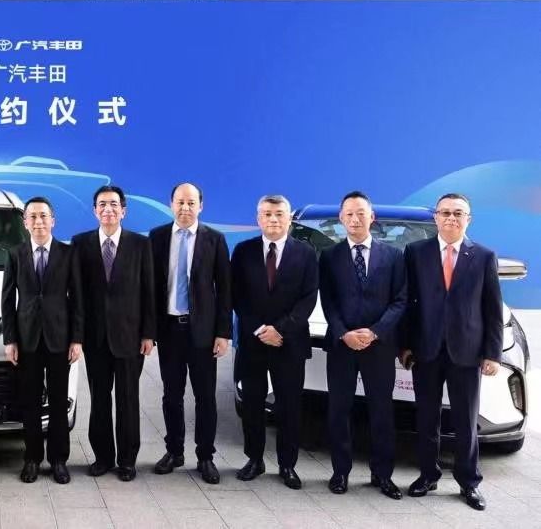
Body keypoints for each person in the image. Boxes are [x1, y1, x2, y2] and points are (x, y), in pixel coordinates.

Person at [401, 193, 502, 511]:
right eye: (445, 212)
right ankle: (427, 475)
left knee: (465, 421)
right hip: (426, 350)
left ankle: (469, 482)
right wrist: (405, 345)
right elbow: (407, 303)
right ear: (436, 217)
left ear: (468, 219)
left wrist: (492, 353)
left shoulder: (484, 256)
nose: (451, 218)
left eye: (458, 213)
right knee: (426, 417)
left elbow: (492, 308)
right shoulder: (416, 252)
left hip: (467, 353)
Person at [319, 191, 406, 499]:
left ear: (372, 217)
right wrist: (344, 333)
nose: (355, 219)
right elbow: (328, 301)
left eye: (360, 213)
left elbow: (400, 300)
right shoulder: (329, 256)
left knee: (381, 411)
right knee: (339, 410)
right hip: (342, 346)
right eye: (349, 214)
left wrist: (375, 332)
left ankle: (382, 474)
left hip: (379, 347)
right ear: (341, 219)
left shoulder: (394, 256)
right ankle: (340, 472)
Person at [231, 194, 317, 490]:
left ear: (289, 218)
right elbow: (237, 295)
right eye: (267, 214)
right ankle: (254, 459)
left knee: (289, 406)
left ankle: (287, 464)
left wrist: (281, 330)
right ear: (258, 218)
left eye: (279, 213)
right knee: (252, 404)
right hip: (253, 343)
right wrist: (259, 329)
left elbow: (308, 297)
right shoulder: (243, 251)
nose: (273, 219)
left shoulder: (306, 253)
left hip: (289, 343)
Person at [148, 182, 231, 484]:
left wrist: (223, 333)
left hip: (203, 333)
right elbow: (150, 287)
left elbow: (225, 289)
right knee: (172, 395)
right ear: (171, 204)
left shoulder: (214, 239)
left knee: (205, 397)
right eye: (180, 202)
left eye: (191, 203)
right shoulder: (157, 237)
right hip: (169, 329)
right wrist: (149, 331)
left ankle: (205, 456)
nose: (185, 208)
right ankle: (174, 451)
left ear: (201, 206)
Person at [70, 185, 154, 481]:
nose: (108, 209)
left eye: (114, 204)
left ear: (123, 211)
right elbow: (76, 295)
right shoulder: (80, 244)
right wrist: (77, 336)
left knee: (128, 399)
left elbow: (149, 291)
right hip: (95, 338)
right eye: (102, 204)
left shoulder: (140, 245)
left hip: (130, 337)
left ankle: (127, 460)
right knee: (100, 399)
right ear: (95, 210)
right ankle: (103, 457)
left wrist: (148, 333)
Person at [2, 196, 83, 485]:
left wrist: (77, 338)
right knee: (31, 402)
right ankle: (32, 458)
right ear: (25, 222)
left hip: (60, 338)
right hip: (27, 340)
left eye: (43, 216)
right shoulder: (15, 254)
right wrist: (10, 339)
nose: (38, 222)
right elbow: (7, 300)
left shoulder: (68, 253)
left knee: (59, 402)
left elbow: (78, 299)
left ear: (53, 221)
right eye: (33, 217)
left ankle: (59, 460)